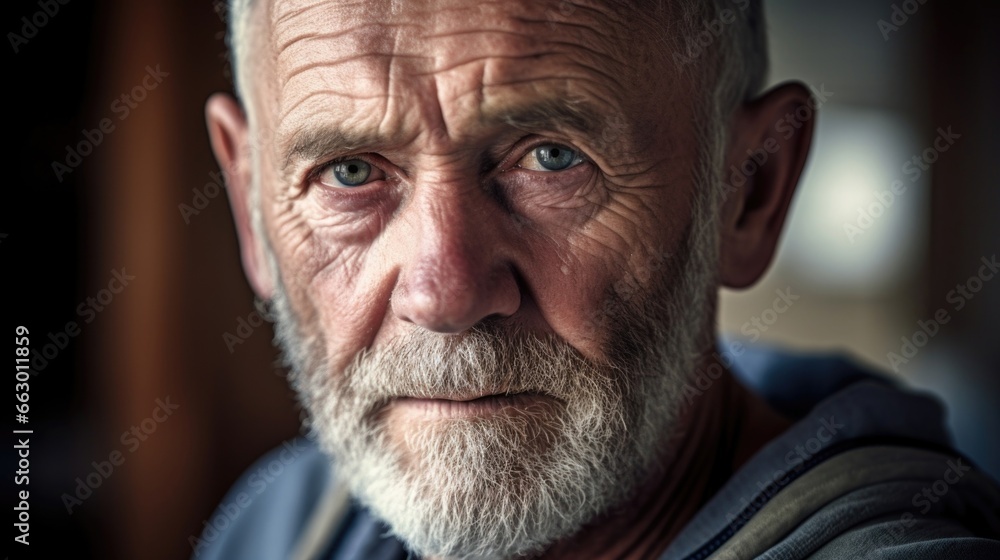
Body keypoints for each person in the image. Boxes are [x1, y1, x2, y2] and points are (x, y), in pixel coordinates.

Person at [195, 0, 1000, 558]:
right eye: (348, 172)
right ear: (250, 204)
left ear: (750, 192)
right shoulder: (277, 527)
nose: (444, 295)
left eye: (552, 159)